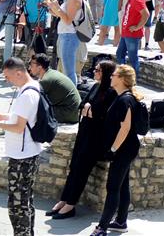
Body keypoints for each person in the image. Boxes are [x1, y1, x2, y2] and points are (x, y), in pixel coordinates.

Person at [48, 60, 117, 220]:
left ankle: (71, 205)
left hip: (95, 139)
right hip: (84, 134)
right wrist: (88, 108)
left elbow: (99, 113)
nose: (94, 71)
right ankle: (64, 200)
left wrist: (88, 108)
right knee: (74, 167)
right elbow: (82, 105)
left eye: (98, 70)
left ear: (105, 73)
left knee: (81, 170)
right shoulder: (95, 86)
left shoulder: (110, 92)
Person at [0, 58, 43, 236]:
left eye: (8, 77)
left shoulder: (26, 95)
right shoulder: (32, 87)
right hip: (28, 153)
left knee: (18, 204)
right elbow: (21, 117)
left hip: (22, 156)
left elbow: (18, 127)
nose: (7, 80)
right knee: (25, 200)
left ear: (18, 73)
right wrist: (3, 116)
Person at [90, 65, 143, 236]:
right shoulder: (124, 97)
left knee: (112, 187)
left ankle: (102, 228)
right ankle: (121, 221)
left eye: (113, 75)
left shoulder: (124, 100)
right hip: (126, 148)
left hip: (122, 150)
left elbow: (125, 128)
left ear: (121, 79)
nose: (110, 77)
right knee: (122, 185)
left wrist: (113, 149)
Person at [48, 0, 84, 84]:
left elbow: (68, 20)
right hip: (65, 35)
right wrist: (52, 6)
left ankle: (72, 98)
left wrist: (57, 8)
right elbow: (62, 15)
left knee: (69, 71)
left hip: (70, 36)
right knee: (66, 69)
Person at [29, 54, 81, 124]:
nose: (29, 68)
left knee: (34, 112)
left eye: (31, 65)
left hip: (69, 113)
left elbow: (33, 100)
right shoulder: (51, 73)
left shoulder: (46, 80)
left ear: (39, 67)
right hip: (73, 112)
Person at [116, 0, 148, 73]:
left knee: (133, 58)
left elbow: (146, 14)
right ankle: (123, 77)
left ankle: (133, 81)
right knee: (120, 54)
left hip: (132, 35)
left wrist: (137, 27)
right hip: (126, 33)